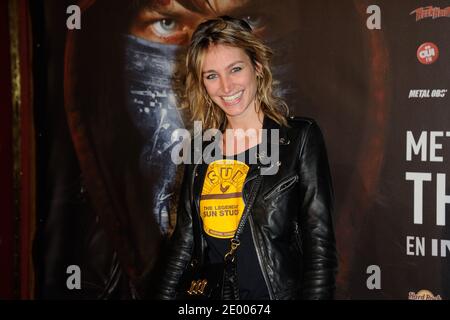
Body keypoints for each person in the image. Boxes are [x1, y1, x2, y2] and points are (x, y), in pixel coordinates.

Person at [158, 16, 337, 300]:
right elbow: (184, 243)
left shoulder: (298, 139)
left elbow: (320, 248)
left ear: (257, 66)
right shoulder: (201, 148)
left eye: (235, 69)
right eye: (212, 75)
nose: (226, 87)